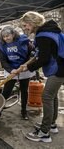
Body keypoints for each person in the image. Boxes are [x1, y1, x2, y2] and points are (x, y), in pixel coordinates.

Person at [19, 11, 64, 143]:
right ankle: (52, 124)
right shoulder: (52, 31)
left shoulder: (43, 35)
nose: (25, 28)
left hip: (59, 70)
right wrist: (29, 63)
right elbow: (42, 54)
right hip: (61, 68)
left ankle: (44, 133)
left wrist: (27, 67)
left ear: (33, 22)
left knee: (46, 96)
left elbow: (43, 59)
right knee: (53, 96)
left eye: (26, 25)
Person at [0, 26, 34, 120]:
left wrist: (25, 66)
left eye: (8, 36)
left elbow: (32, 53)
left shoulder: (23, 41)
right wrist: (11, 70)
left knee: (24, 90)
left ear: (13, 34)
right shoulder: (2, 45)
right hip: (11, 69)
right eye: (4, 37)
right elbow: (3, 60)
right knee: (6, 91)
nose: (6, 38)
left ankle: (24, 111)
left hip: (24, 68)